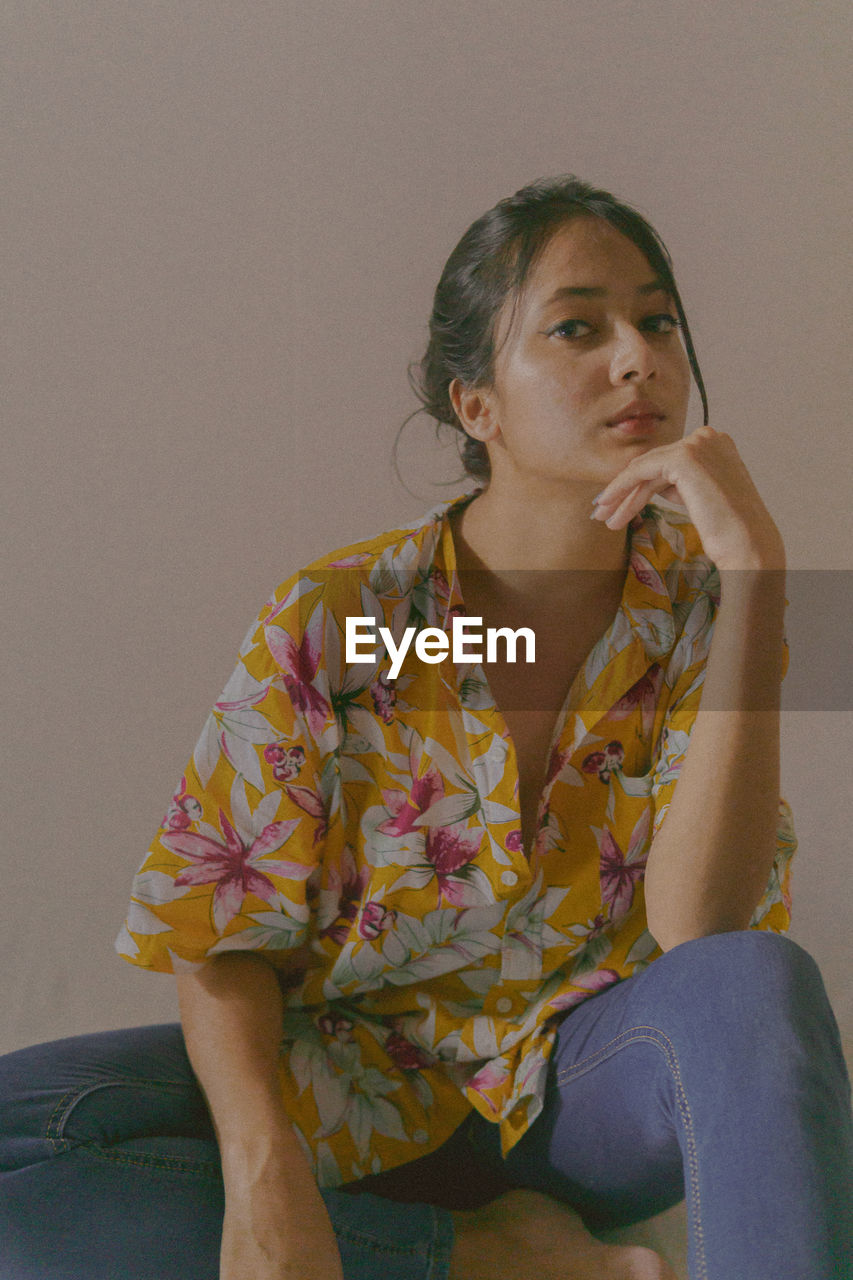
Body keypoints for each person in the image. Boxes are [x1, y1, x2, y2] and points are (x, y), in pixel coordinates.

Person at [0, 175, 850, 1280]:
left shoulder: (699, 605)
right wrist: (265, 1177)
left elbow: (703, 932)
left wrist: (757, 582)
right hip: (349, 1087)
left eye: (657, 320)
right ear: (476, 404)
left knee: (759, 979)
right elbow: (218, 929)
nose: (636, 356)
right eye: (576, 327)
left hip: (584, 1099)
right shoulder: (348, 619)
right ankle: (484, 1258)